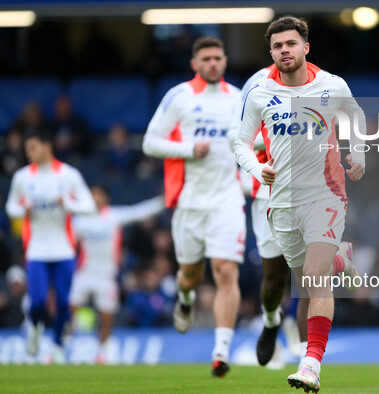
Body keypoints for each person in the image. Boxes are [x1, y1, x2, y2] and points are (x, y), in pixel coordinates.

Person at [233, 17, 365, 392]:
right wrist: (257, 169)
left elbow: (355, 116)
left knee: (315, 279)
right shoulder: (258, 93)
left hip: (326, 194)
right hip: (282, 202)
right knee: (304, 283)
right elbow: (240, 143)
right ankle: (342, 257)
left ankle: (311, 365)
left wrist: (360, 156)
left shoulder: (332, 85)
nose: (284, 51)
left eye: (290, 44)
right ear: (271, 52)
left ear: (306, 47)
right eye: (277, 46)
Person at [142, 36, 245, 377]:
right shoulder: (180, 97)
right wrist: (187, 148)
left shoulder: (240, 98)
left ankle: (221, 351)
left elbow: (257, 139)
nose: (213, 63)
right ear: (195, 64)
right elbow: (150, 142)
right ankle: (184, 299)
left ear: (225, 60)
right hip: (189, 202)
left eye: (218, 57)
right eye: (206, 58)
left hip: (228, 199)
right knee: (190, 275)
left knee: (226, 271)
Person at [5, 129, 96, 363]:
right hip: (36, 249)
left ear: (47, 146)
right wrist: (23, 210)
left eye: (32, 147)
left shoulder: (68, 175)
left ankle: (57, 346)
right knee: (37, 301)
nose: (28, 152)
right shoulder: (23, 177)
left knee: (64, 303)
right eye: (27, 148)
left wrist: (67, 203)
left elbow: (89, 206)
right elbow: (11, 207)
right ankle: (35, 327)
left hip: (64, 249)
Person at [69, 185, 165, 364]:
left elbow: (140, 211)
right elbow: (67, 243)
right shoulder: (79, 221)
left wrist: (163, 201)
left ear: (106, 198)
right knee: (69, 311)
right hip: (83, 273)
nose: (95, 198)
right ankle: (61, 346)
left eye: (98, 194)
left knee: (106, 317)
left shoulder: (114, 216)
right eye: (92, 194)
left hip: (106, 276)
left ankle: (102, 352)